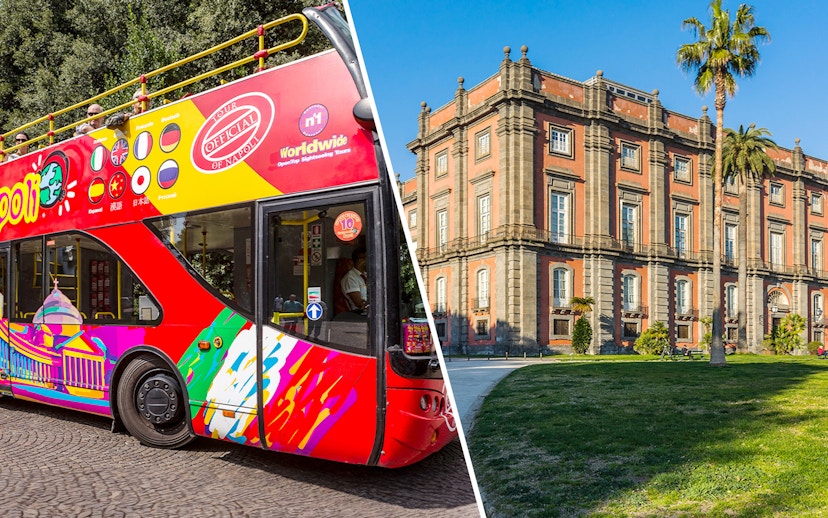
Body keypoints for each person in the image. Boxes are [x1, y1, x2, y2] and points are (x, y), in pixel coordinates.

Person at [340, 248, 368, 313]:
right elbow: (359, 303)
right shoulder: (350, 278)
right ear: (360, 260)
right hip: (359, 313)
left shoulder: (365, 275)